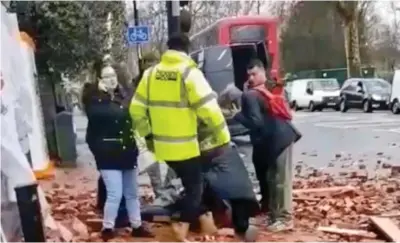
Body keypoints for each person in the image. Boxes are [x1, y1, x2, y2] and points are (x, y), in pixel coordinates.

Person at [129, 33, 226, 241]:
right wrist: (222, 135)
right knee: (195, 189)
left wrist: (148, 136)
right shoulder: (189, 72)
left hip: (163, 148)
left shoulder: (150, 74)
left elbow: (136, 110)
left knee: (191, 184)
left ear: (168, 48)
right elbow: (209, 109)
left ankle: (206, 223)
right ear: (187, 49)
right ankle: (181, 227)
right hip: (186, 147)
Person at [82, 60, 153, 241]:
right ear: (99, 79)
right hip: (108, 154)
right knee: (115, 193)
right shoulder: (94, 98)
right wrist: (104, 95)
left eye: (113, 76)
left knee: (131, 193)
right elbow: (97, 116)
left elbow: (132, 115)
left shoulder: (124, 94)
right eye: (107, 76)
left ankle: (136, 224)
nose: (111, 79)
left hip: (127, 151)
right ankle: (107, 228)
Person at [229, 59, 300, 232]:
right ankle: (276, 216)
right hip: (281, 138)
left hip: (279, 141)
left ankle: (284, 218)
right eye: (249, 75)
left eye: (254, 74)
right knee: (275, 180)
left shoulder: (250, 95)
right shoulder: (266, 89)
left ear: (262, 72)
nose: (251, 78)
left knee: (281, 182)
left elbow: (256, 122)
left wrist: (237, 116)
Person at [197, 117, 260, 241]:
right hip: (243, 193)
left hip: (222, 185)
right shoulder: (229, 149)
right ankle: (241, 230)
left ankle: (210, 223)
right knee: (240, 204)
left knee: (201, 189)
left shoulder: (207, 154)